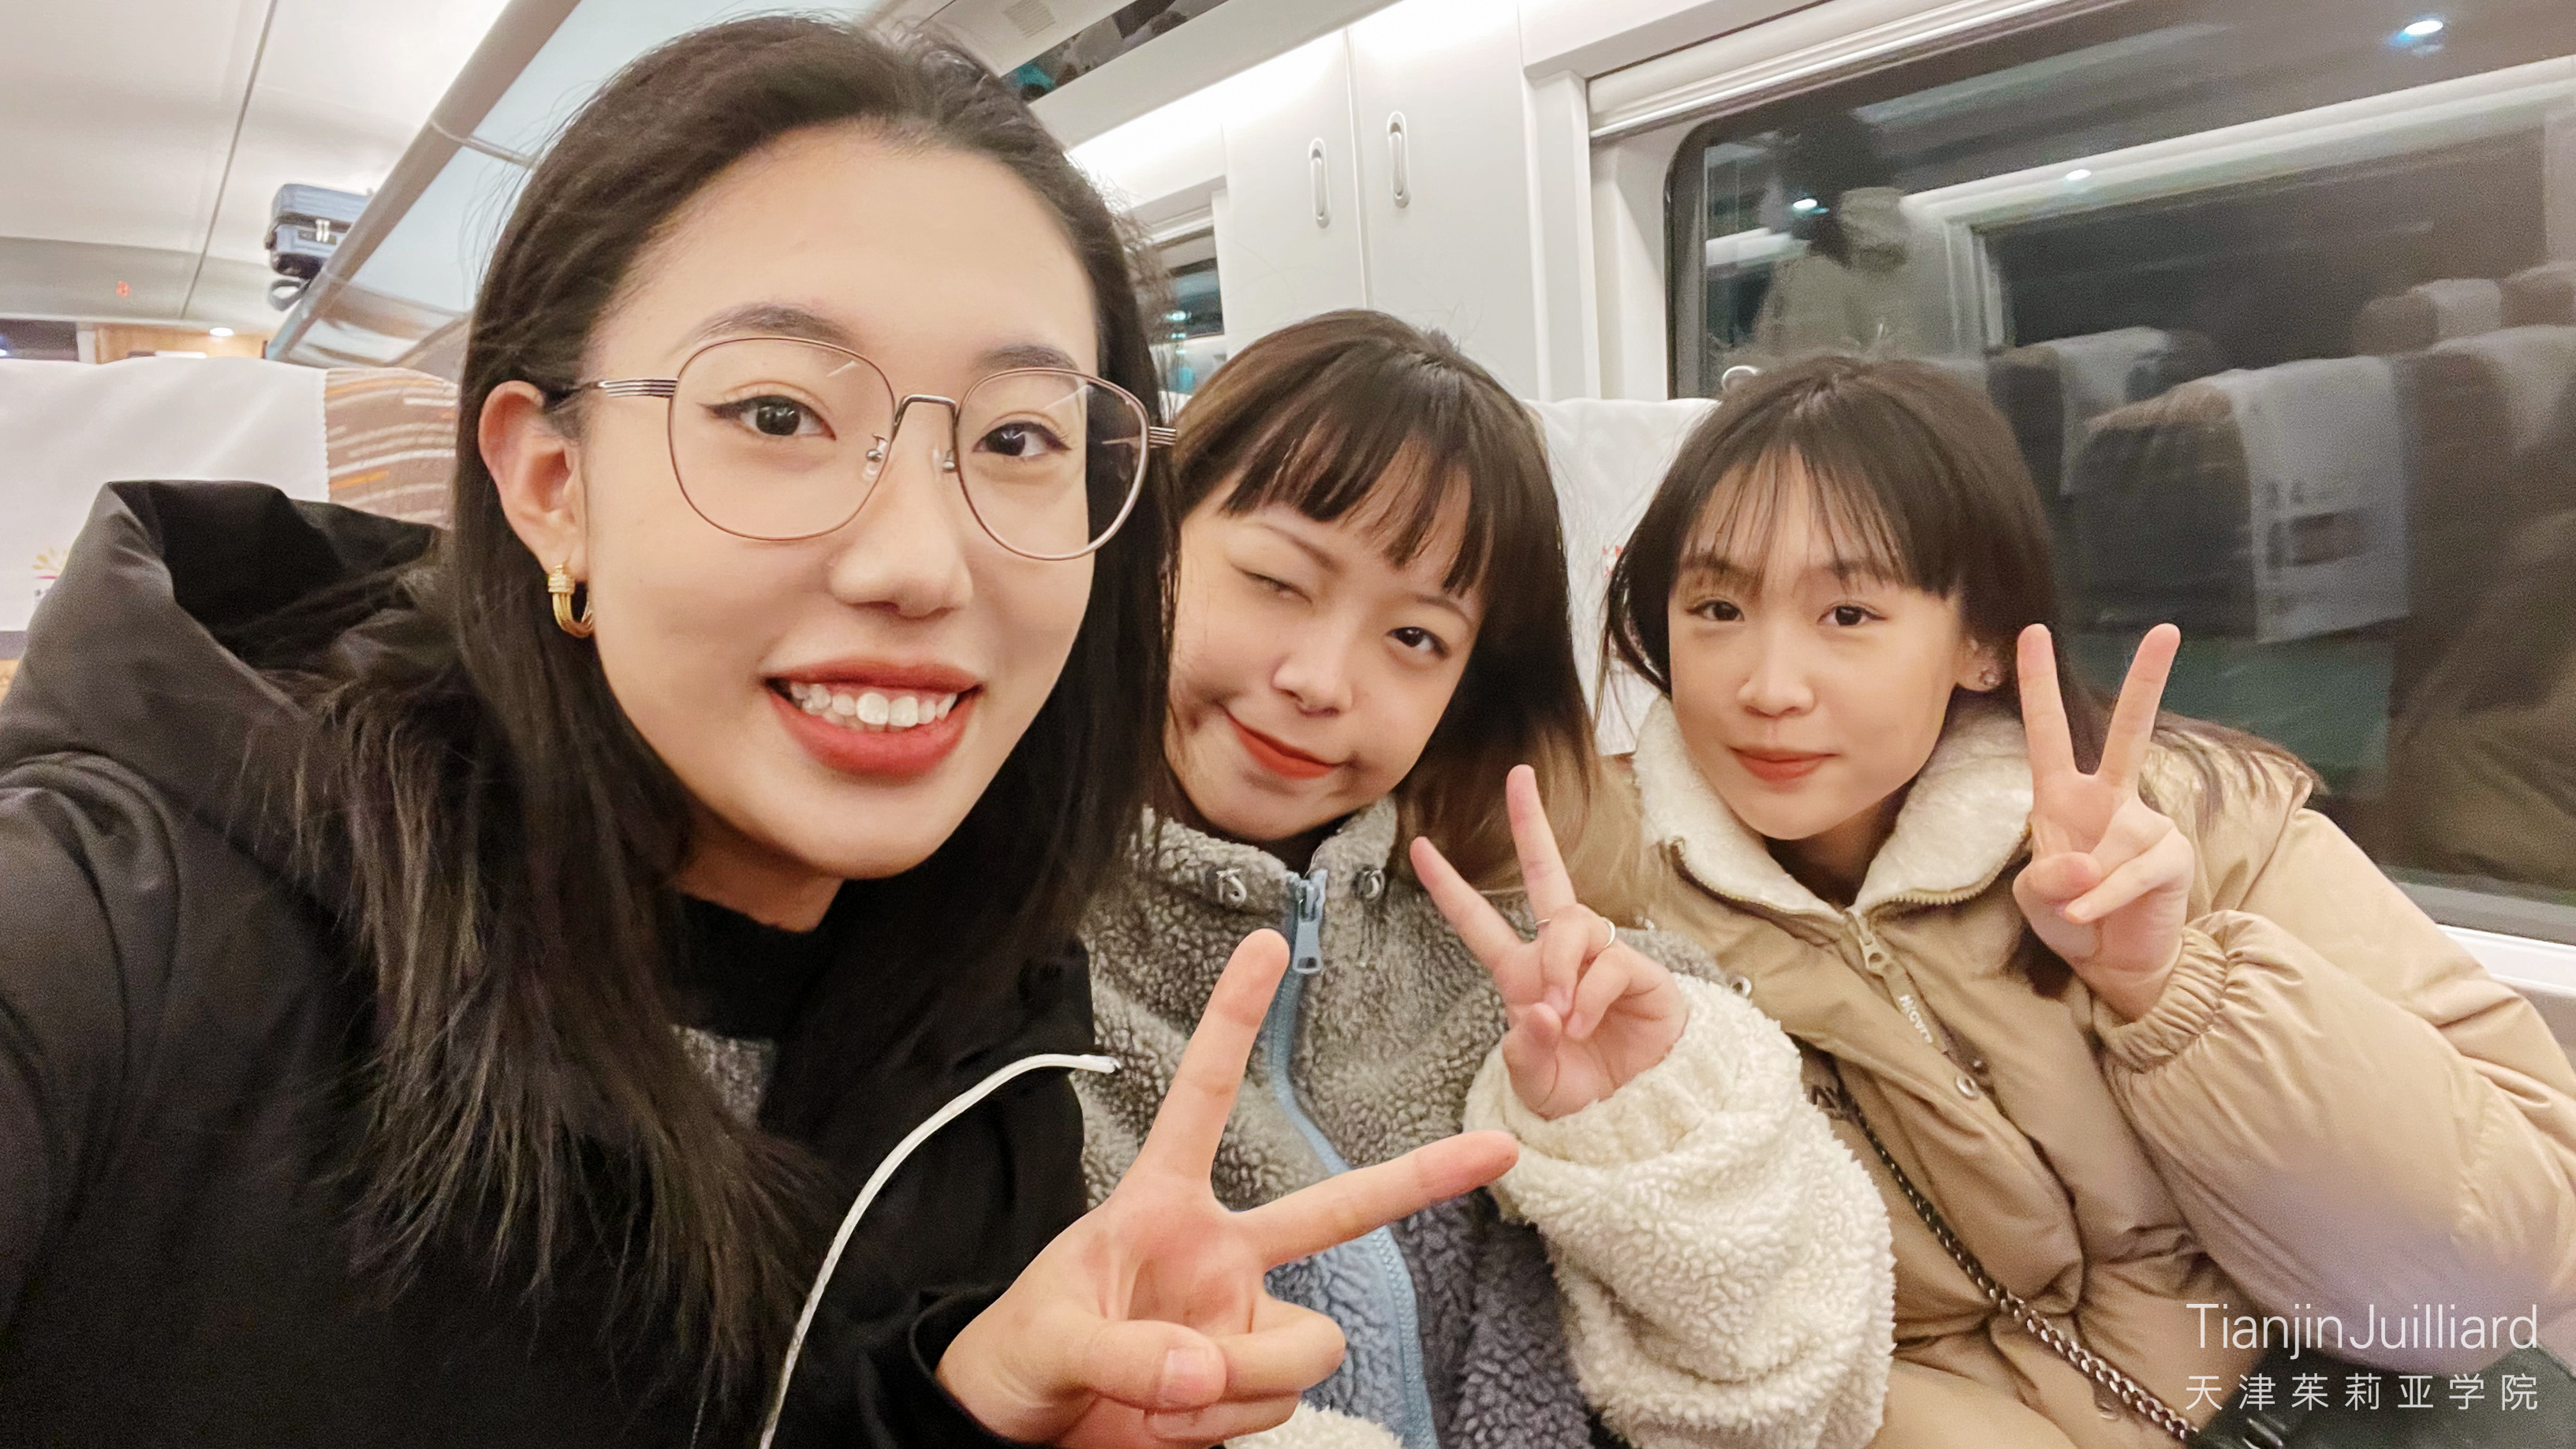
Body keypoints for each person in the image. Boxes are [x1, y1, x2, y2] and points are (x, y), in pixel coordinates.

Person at [0, 22, 1510, 1448]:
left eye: (1016, 439)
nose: (922, 560)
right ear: (547, 480)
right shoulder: (114, 932)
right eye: (779, 416)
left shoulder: (1000, 1020)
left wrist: (963, 1412)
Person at [1600, 353, 2576, 1447]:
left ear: (1976, 639)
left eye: (1848, 613)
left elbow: (2495, 1264)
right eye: (1717, 605)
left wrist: (2171, 988)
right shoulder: (1619, 932)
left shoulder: (2195, 819)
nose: (1768, 685)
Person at [1077, 311, 1893, 1449]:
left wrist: (1639, 1127)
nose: (1321, 681)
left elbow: (1803, 1394)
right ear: (1147, 546)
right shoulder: (988, 957)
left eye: (1415, 638)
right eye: (1274, 579)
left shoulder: (1552, 962)